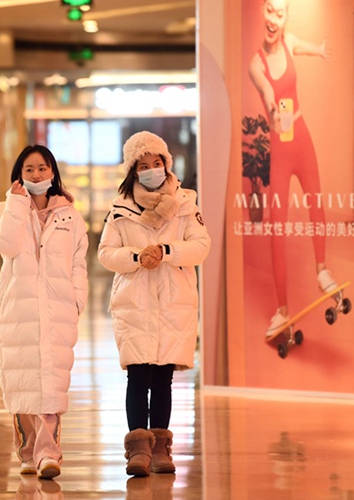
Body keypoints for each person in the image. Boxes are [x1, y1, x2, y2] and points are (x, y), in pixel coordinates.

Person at [97, 131, 210, 476]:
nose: (151, 170)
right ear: (133, 170)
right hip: (134, 302)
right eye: (143, 166)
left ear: (166, 164)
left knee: (163, 378)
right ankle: (138, 450)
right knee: (137, 375)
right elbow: (105, 254)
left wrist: (166, 251)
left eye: (156, 163)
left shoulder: (186, 204)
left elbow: (200, 246)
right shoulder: (120, 209)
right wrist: (136, 256)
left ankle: (161, 449)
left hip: (174, 302)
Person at [0, 145, 88, 480]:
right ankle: (29, 453)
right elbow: (5, 244)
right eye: (29, 169)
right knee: (22, 383)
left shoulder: (70, 215)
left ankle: (48, 455)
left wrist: (77, 300)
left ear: (53, 172)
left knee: (52, 384)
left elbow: (79, 263)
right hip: (19, 310)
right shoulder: (3, 210)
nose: (36, 174)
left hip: (58, 309)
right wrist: (17, 205)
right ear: (19, 175)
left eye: (42, 168)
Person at [247, 0, 338, 338]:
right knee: (278, 228)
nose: (273, 19)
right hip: (281, 148)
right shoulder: (256, 64)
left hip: (302, 137)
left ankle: (322, 270)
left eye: (280, 13)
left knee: (317, 202)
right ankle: (282, 310)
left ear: (286, 18)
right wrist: (271, 105)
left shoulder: (288, 40)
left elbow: (302, 47)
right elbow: (266, 89)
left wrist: (319, 49)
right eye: (269, 10)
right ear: (262, 10)